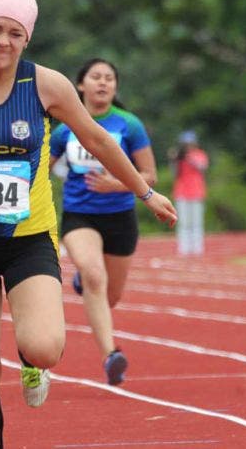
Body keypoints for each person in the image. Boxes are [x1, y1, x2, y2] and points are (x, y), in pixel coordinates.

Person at [0, 0, 177, 448]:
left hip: (29, 240)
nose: (3, 41)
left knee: (45, 347)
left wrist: (145, 192)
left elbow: (97, 140)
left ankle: (32, 367)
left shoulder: (47, 86)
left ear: (27, 39)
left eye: (16, 33)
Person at [48, 58, 157, 385]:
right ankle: (111, 355)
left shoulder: (129, 125)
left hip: (120, 217)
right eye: (96, 77)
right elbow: (40, 170)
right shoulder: (65, 128)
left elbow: (150, 174)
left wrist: (119, 182)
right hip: (80, 215)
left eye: (109, 78)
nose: (103, 83)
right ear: (80, 85)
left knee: (109, 296)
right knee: (95, 275)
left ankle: (86, 284)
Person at [172, 130, 209, 255]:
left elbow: (202, 166)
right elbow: (174, 173)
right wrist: (175, 159)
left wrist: (189, 157)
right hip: (181, 192)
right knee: (183, 223)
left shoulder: (200, 154)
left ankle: (197, 249)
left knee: (196, 222)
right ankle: (184, 249)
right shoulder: (179, 157)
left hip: (197, 192)